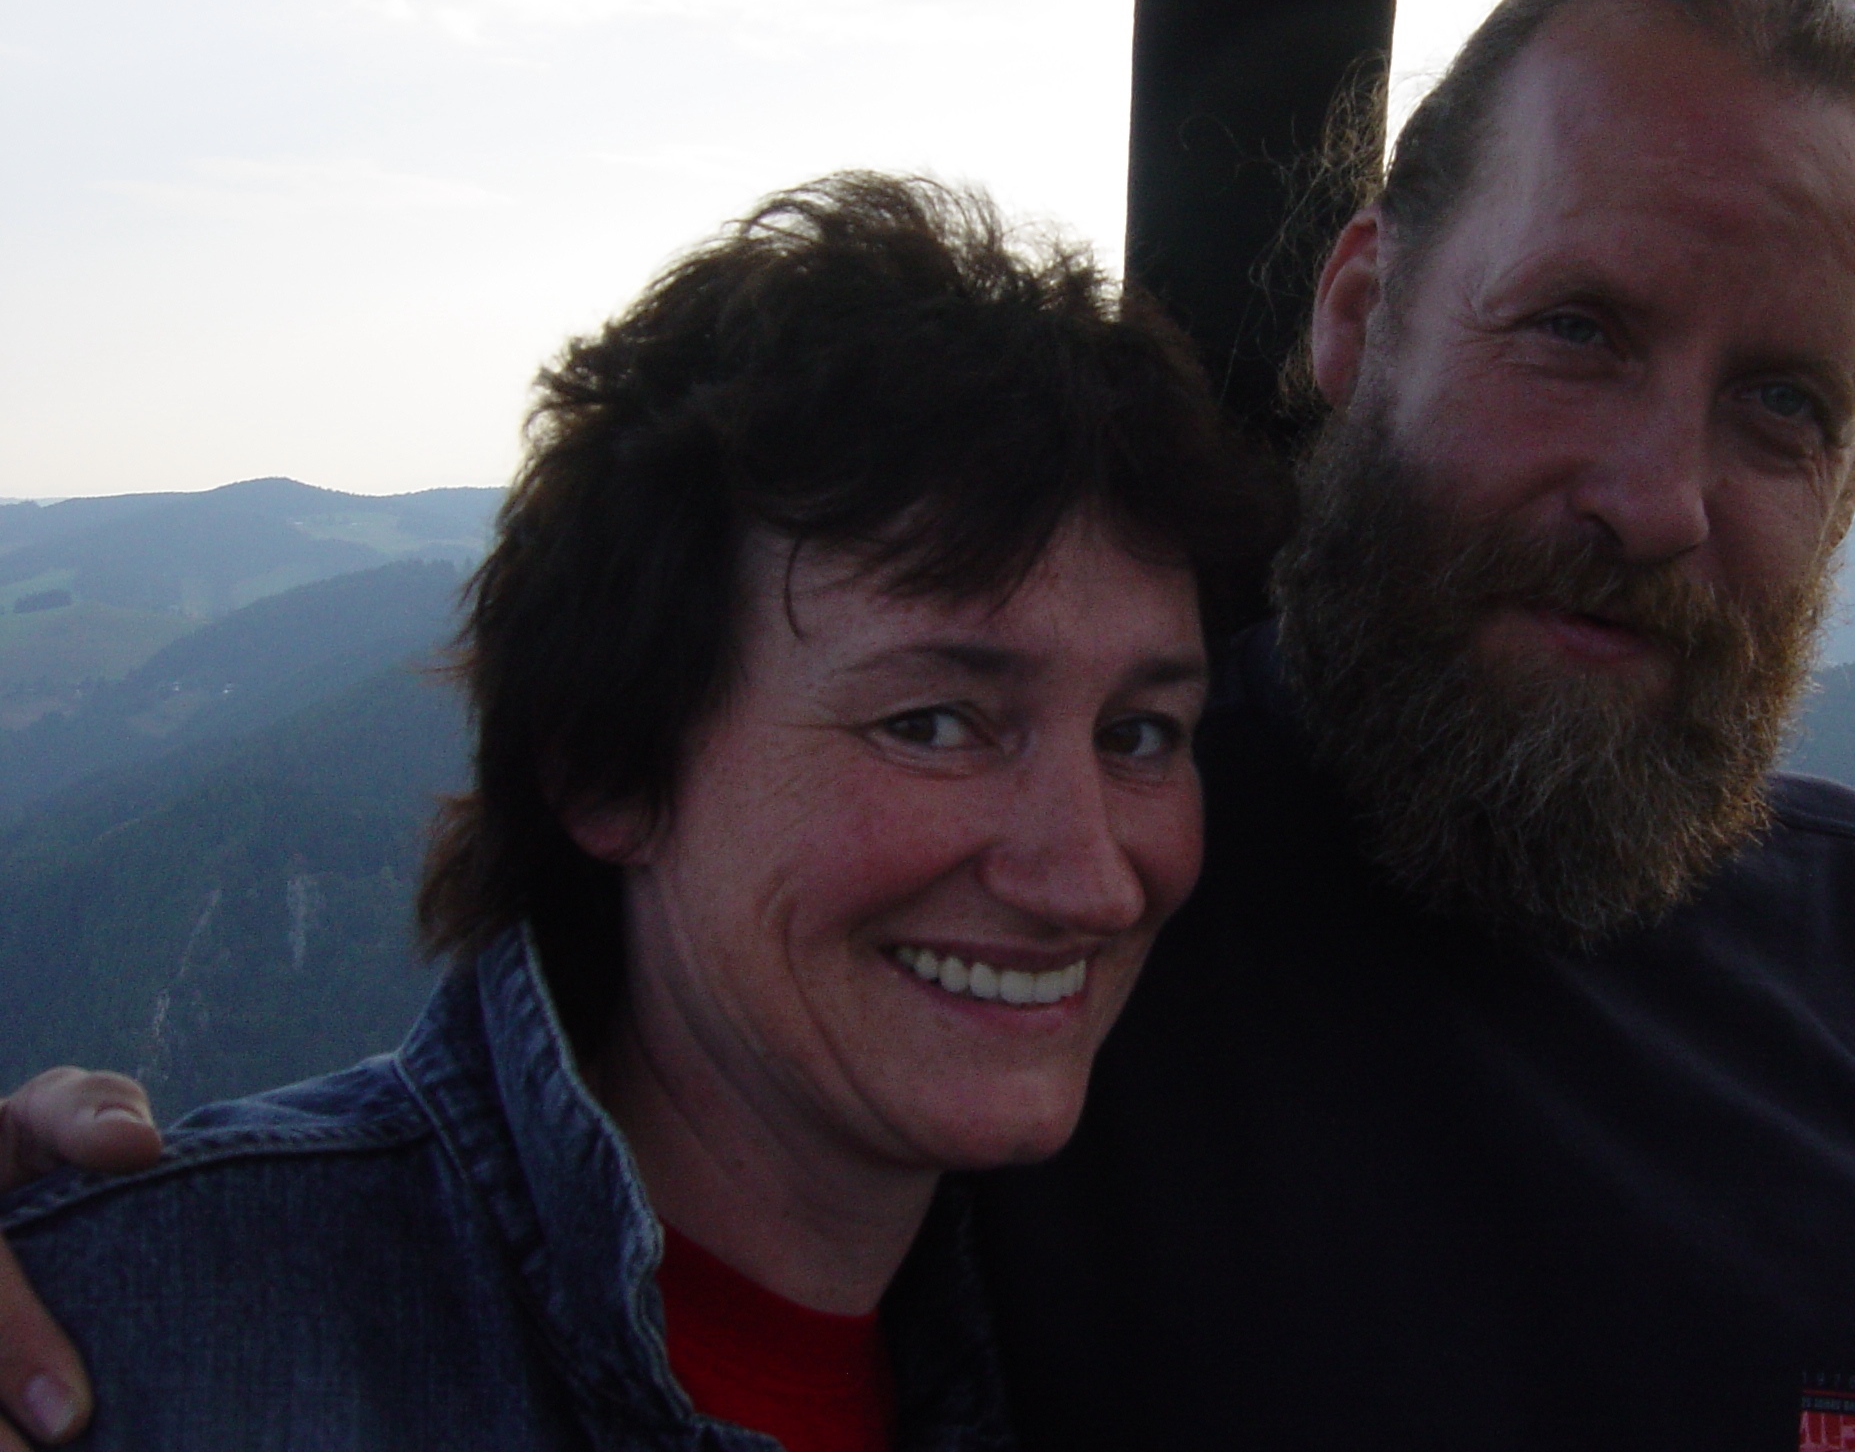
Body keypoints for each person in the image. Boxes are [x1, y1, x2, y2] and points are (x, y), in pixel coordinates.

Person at [0, 0, 1855, 1449]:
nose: (1654, 494)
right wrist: (100, 1244)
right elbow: (507, 1200)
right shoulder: (1014, 982)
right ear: (1361, 313)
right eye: (1575, 331)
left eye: (1782, 406)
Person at [0, 171, 1278, 1449]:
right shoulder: (136, 1358)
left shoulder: (1135, 1332)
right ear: (607, 766)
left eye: (1136, 733)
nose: (1087, 877)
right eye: (933, 724)